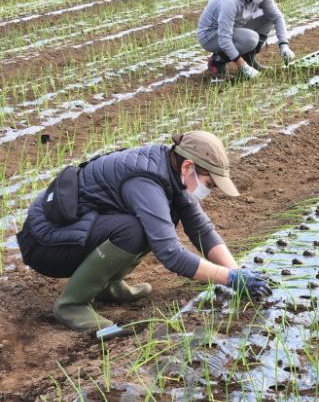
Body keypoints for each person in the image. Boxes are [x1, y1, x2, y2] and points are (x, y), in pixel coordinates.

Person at [16, 131, 272, 333]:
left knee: (155, 220)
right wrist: (229, 279)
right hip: (45, 244)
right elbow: (170, 253)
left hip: (75, 232)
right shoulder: (146, 182)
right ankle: (72, 305)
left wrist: (238, 272)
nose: (211, 190)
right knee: (134, 230)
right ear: (188, 167)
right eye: (210, 184)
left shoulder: (171, 171)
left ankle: (108, 286)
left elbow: (201, 230)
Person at [197, 0, 295, 80]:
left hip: (235, 27)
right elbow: (224, 38)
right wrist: (242, 66)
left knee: (268, 17)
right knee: (251, 38)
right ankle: (217, 62)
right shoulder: (230, 1)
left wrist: (284, 45)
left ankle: (249, 58)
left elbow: (277, 17)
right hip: (211, 35)